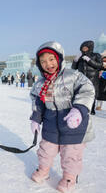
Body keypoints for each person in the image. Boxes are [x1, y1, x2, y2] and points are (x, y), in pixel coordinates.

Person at [30, 41, 95, 192]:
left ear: (59, 59)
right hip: (51, 123)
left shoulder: (73, 76)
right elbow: (37, 102)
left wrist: (79, 110)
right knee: (46, 149)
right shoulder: (40, 83)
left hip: (73, 123)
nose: (48, 64)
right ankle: (44, 170)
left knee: (71, 153)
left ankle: (69, 177)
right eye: (43, 61)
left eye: (51, 59)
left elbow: (87, 90)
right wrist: (35, 118)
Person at [71, 40, 104, 115]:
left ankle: (92, 108)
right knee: (80, 93)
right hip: (81, 79)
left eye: (85, 48)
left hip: (93, 78)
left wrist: (89, 60)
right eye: (83, 48)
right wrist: (75, 61)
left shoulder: (96, 55)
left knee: (92, 94)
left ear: (90, 48)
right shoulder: (80, 57)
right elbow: (73, 68)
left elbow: (99, 65)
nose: (84, 49)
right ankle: (81, 108)